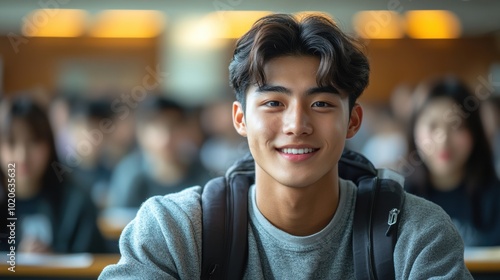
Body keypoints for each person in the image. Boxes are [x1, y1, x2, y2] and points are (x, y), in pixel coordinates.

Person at [100, 13, 472, 279]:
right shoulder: (175, 231)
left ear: (353, 121)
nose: (297, 125)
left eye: (322, 103)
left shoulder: (415, 234)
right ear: (240, 119)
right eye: (274, 103)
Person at [0, 95, 107, 253]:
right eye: (11, 143)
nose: (22, 156)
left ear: (49, 145)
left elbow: (94, 264)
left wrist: (55, 260)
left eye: (33, 142)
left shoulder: (76, 201)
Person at [405, 76, 500, 247]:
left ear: (474, 132)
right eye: (432, 126)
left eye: (457, 126)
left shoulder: (494, 196)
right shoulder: (398, 198)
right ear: (414, 131)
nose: (443, 140)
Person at [106, 94, 211, 209]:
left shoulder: (202, 176)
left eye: (173, 127)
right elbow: (118, 221)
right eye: (156, 127)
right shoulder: (130, 174)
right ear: (141, 132)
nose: (166, 138)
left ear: (186, 130)